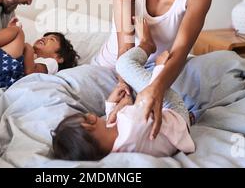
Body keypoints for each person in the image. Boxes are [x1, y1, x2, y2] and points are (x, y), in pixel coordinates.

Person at [92, 0, 212, 134]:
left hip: (160, 71)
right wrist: (124, 88)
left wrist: (156, 89)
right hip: (116, 66)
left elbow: (179, 54)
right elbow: (125, 48)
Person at [52, 18, 195, 160]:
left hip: (175, 134)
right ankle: (147, 44)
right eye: (85, 117)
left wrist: (111, 106)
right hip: (175, 112)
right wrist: (160, 68)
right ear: (89, 123)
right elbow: (150, 97)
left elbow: (113, 128)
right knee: (124, 64)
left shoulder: (116, 150)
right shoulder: (131, 120)